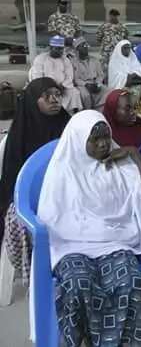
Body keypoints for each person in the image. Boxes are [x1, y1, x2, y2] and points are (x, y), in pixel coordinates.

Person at [38, 110, 141, 346]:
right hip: (71, 246)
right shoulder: (62, 172)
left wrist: (133, 154)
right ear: (78, 140)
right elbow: (50, 219)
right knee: (78, 284)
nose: (104, 143)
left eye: (106, 136)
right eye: (95, 140)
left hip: (115, 242)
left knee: (130, 281)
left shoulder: (119, 164)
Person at [0, 77, 70, 280]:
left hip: (66, 192)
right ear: (32, 101)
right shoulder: (21, 132)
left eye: (57, 95)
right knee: (20, 220)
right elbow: (13, 178)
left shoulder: (68, 125)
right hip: (30, 198)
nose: (54, 100)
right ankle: (39, 274)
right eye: (47, 96)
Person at [29, 36, 83, 113]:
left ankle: (70, 115)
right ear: (50, 48)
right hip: (45, 87)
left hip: (63, 87)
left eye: (61, 49)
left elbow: (69, 76)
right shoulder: (40, 58)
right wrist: (49, 87)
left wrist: (64, 85)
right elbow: (37, 77)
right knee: (48, 97)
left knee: (74, 92)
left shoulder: (65, 60)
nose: (60, 51)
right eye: (57, 49)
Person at [107, 40, 141, 110]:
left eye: (129, 48)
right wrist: (133, 76)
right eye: (125, 48)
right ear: (119, 49)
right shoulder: (114, 62)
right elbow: (119, 80)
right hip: (120, 88)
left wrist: (132, 77)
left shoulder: (133, 59)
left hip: (136, 86)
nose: (127, 50)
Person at [71, 37, 109, 109]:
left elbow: (100, 75)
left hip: (95, 82)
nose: (86, 48)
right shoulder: (73, 62)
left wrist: (98, 84)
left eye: (86, 46)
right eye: (83, 46)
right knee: (85, 95)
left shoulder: (94, 60)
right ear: (77, 49)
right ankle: (88, 112)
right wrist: (86, 85)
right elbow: (75, 79)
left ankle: (100, 110)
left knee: (108, 91)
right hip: (82, 85)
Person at [96, 9, 129, 78]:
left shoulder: (123, 27)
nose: (114, 17)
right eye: (112, 15)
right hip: (106, 54)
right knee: (104, 71)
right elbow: (98, 39)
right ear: (110, 16)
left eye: (116, 16)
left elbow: (126, 40)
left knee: (117, 71)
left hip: (118, 53)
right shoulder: (104, 26)